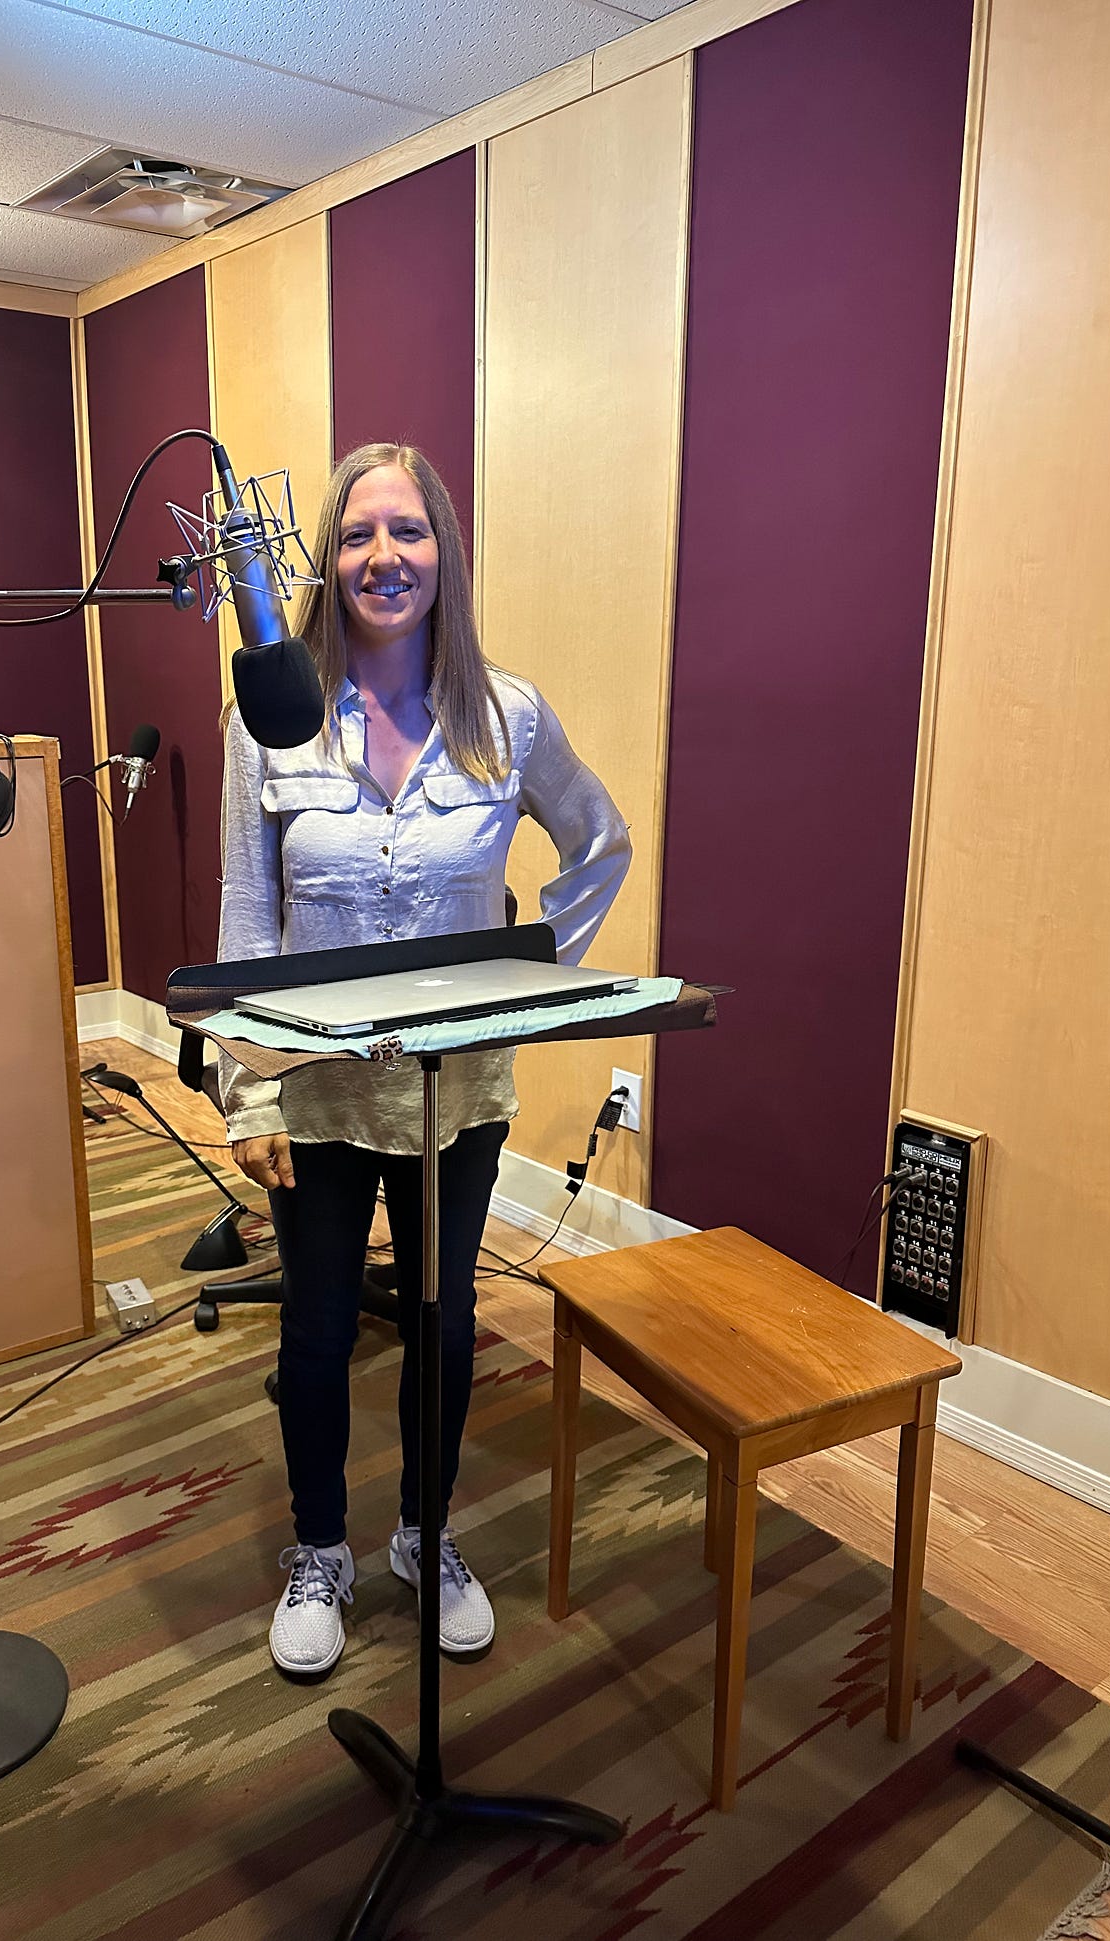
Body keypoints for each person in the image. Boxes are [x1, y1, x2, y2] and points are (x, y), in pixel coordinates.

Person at [218, 442, 630, 1677]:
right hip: (321, 1085)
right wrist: (247, 1088)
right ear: (325, 562)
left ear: (442, 552)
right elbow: (249, 920)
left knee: (445, 1326)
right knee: (318, 1328)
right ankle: (318, 1552)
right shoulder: (267, 724)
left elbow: (598, 843)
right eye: (355, 536)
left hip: (460, 1087)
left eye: (405, 532)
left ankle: (425, 1532)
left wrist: (527, 983)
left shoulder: (507, 716)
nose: (380, 558)